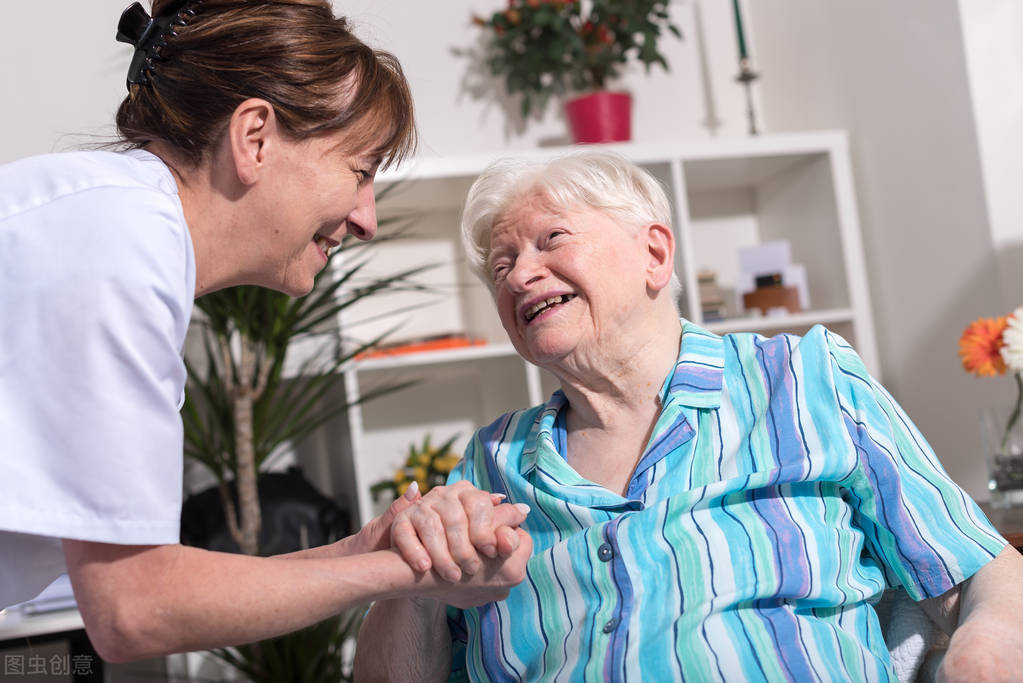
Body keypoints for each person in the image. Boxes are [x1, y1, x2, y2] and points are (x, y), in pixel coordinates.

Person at [355, 151, 1023, 681]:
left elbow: (977, 570)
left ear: (654, 253)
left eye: (548, 239)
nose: (519, 275)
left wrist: (982, 653)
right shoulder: (490, 463)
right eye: (501, 265)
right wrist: (409, 577)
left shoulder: (803, 376)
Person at [0, 0, 530, 663]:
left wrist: (363, 551)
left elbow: (133, 583)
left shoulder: (113, 228)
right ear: (254, 138)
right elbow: (134, 608)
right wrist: (425, 569)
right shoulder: (117, 248)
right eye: (360, 171)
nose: (366, 218)